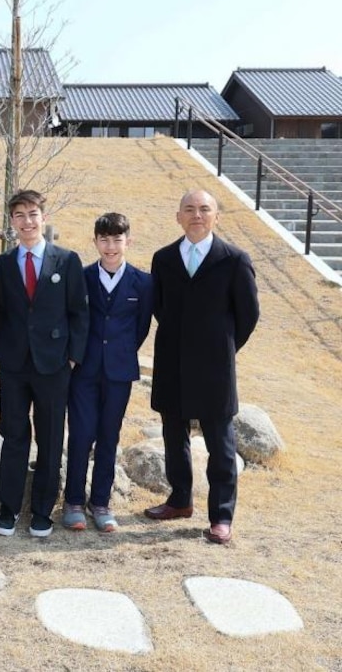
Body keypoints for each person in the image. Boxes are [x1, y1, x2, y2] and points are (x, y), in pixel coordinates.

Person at [145, 189, 259, 545]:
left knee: (221, 446)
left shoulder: (234, 260)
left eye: (204, 209)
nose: (197, 215)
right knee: (173, 436)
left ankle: (221, 516)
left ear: (216, 216)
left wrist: (222, 347)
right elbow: (159, 307)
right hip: (172, 362)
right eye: (190, 209)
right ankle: (180, 500)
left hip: (214, 369)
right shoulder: (163, 258)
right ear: (178, 216)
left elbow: (248, 315)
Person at [0, 189, 88, 538]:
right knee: (14, 435)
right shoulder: (3, 264)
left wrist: (73, 356)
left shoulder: (67, 260)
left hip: (54, 365)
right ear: (13, 222)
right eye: (20, 215)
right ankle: (9, 507)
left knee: (49, 438)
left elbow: (79, 311)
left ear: (42, 218)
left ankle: (43, 510)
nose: (27, 221)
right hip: (15, 365)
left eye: (33, 214)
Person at [62, 213, 153, 533]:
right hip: (83, 370)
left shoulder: (143, 282)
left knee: (108, 437)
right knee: (81, 434)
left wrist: (119, 352)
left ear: (129, 241)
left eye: (117, 239)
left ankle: (100, 502)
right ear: (95, 241)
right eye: (104, 239)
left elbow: (140, 327)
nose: (111, 246)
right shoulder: (82, 277)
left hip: (119, 371)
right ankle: (73, 500)